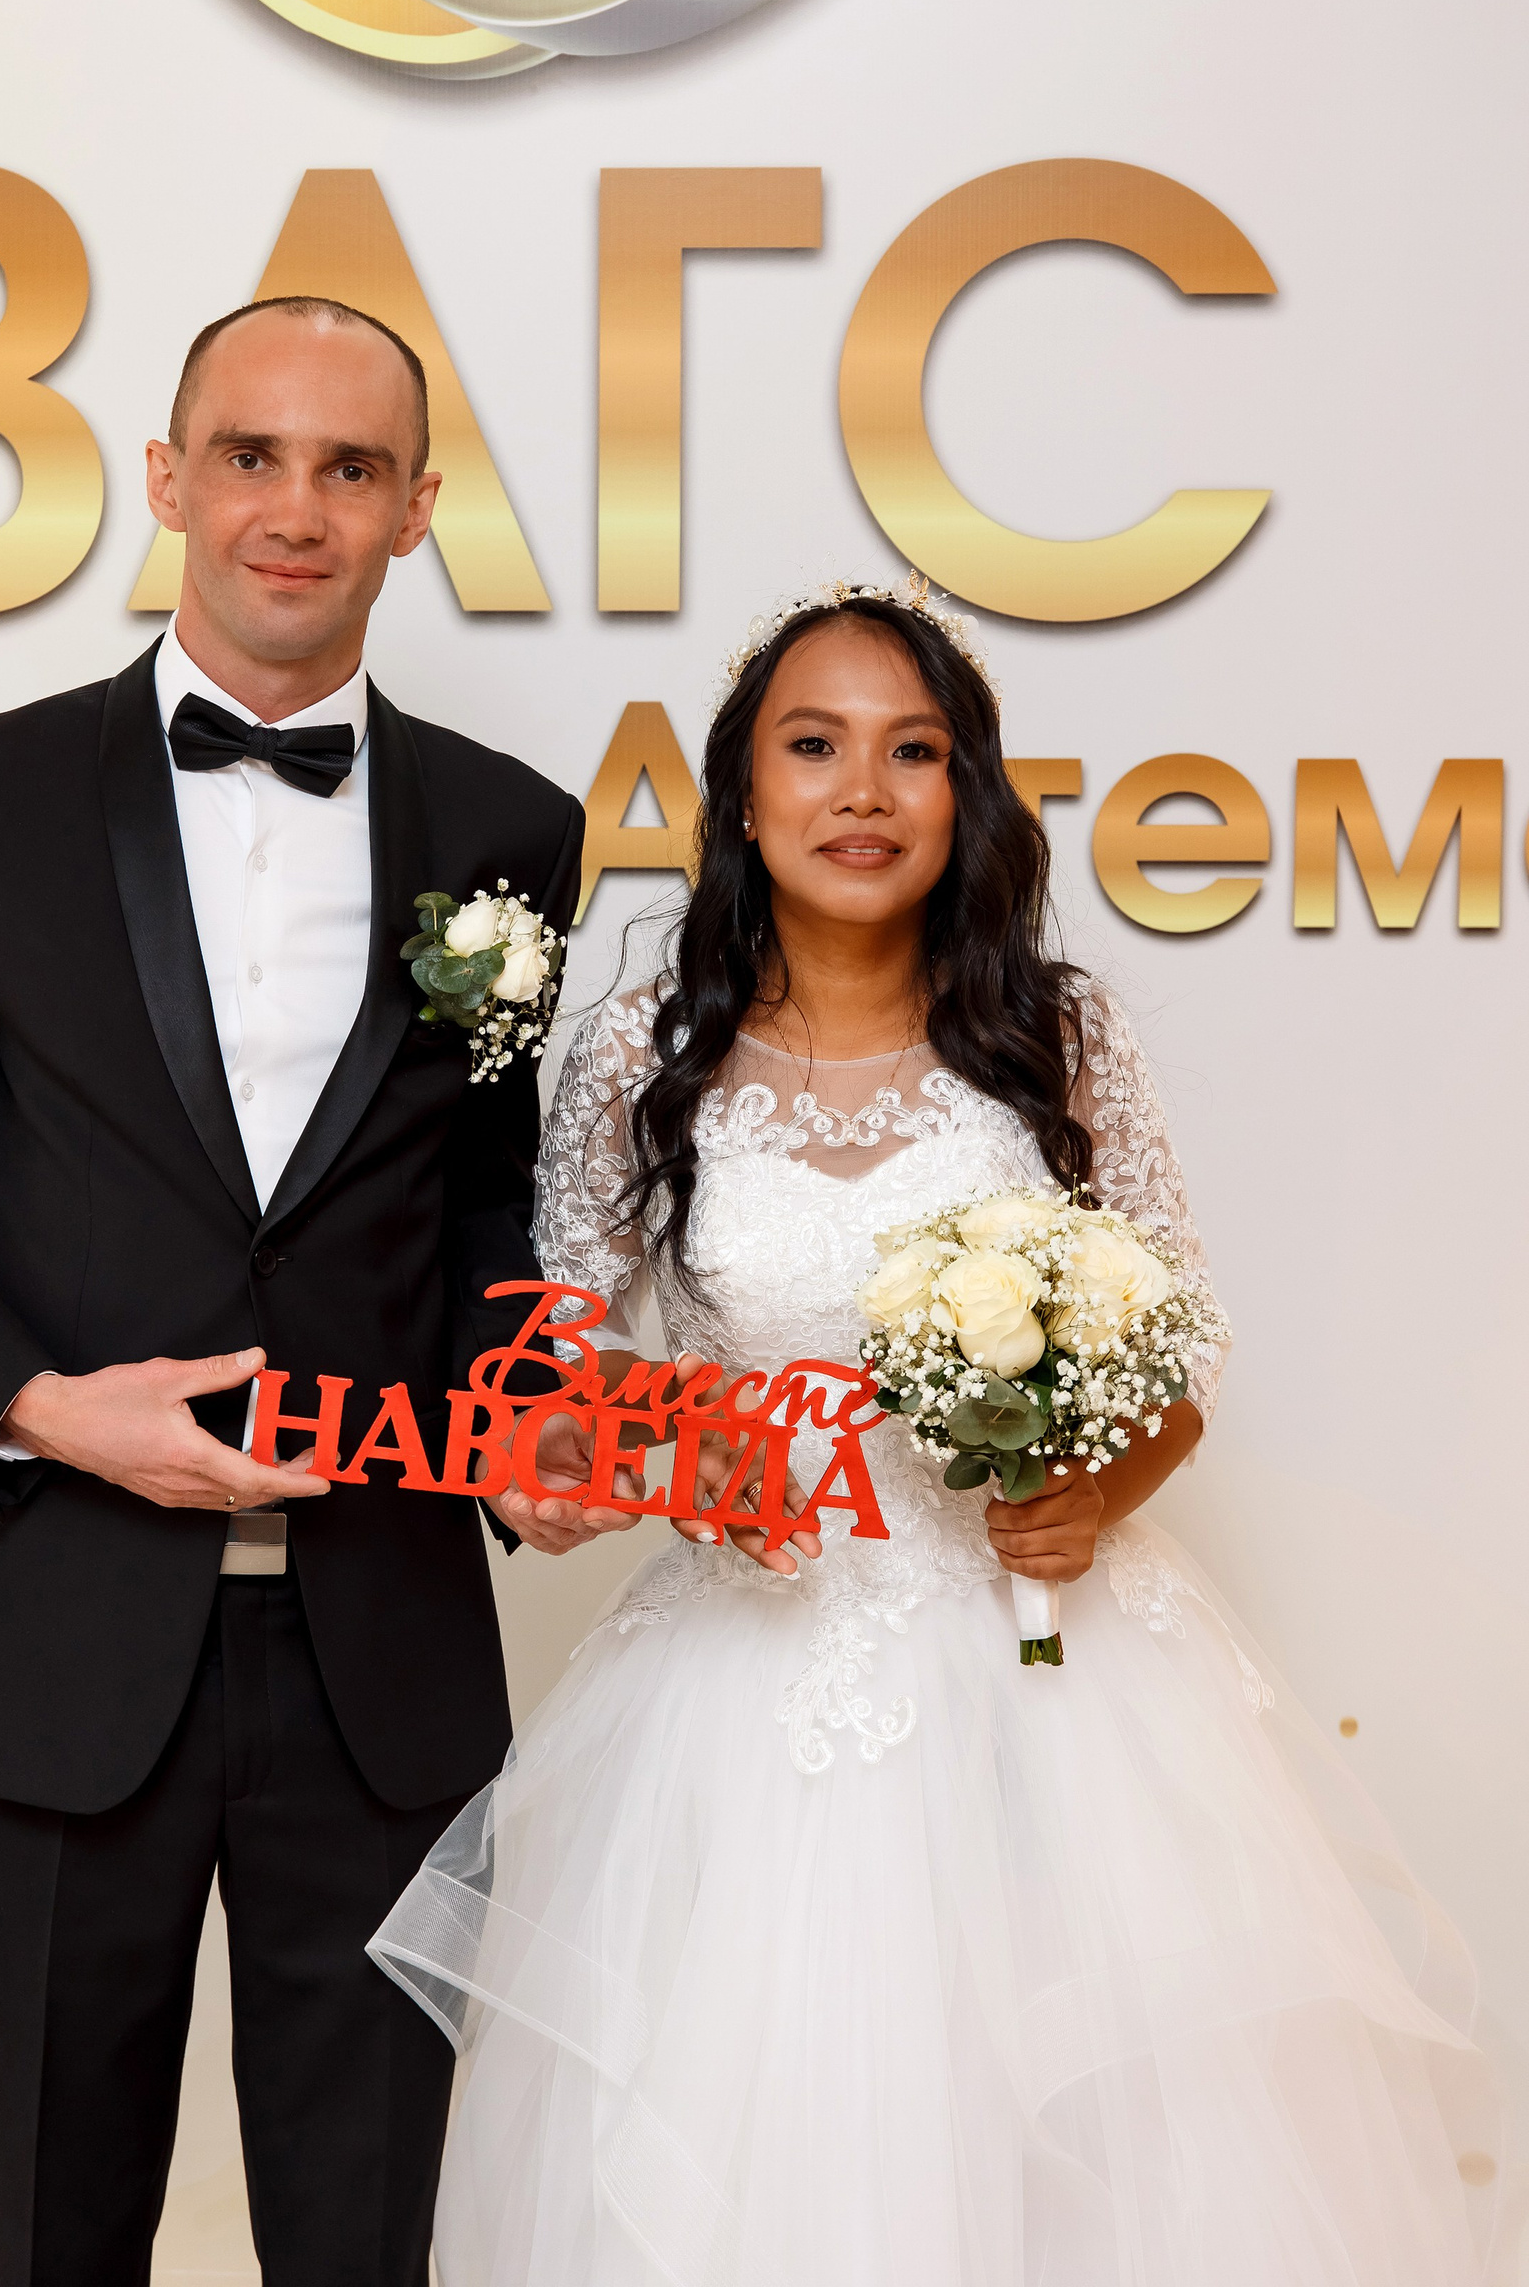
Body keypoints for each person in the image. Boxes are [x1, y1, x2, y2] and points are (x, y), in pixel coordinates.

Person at [370, 581, 1500, 2287]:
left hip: (1048, 1686)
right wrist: (652, 1458)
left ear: (966, 793)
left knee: (1088, 2147)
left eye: (913, 753)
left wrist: (1097, 1490)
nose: (863, 792)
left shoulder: (1057, 1036)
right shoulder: (643, 1051)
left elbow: (1180, 1355)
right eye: (813, 747)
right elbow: (556, 1359)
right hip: (742, 1689)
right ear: (744, 793)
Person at [0, 296, 627, 2287]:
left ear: (418, 507)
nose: (294, 509)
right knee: (49, 2246)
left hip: (385, 1672)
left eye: (349, 468)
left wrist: (531, 1415)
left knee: (370, 2250)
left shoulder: (510, 830)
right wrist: (44, 1409)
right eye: (251, 455)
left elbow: (482, 1211)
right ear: (168, 479)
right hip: (50, 1658)